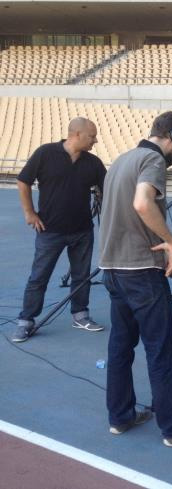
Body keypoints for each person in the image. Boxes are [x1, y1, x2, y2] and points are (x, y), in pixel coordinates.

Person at [98, 111, 172, 446]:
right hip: (141, 276)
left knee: (121, 347)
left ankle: (120, 418)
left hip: (113, 269)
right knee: (160, 351)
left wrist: (160, 250)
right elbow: (141, 204)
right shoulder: (152, 160)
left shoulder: (121, 160)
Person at [13, 118, 106, 343]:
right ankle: (26, 320)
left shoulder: (93, 163)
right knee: (39, 277)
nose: (95, 140)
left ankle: (80, 314)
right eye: (92, 136)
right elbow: (23, 181)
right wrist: (29, 212)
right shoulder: (45, 153)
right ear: (76, 134)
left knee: (81, 276)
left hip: (82, 231)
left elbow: (108, 190)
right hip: (50, 231)